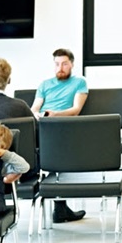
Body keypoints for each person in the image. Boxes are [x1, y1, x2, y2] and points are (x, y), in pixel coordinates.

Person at [30, 47, 89, 222]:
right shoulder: (45, 84)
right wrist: (38, 116)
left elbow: (76, 109)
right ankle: (59, 207)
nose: (60, 68)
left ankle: (59, 207)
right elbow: (34, 108)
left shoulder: (79, 83)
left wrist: (56, 115)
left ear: (72, 64)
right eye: (57, 64)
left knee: (54, 149)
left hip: (64, 125)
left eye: (64, 64)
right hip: (44, 125)